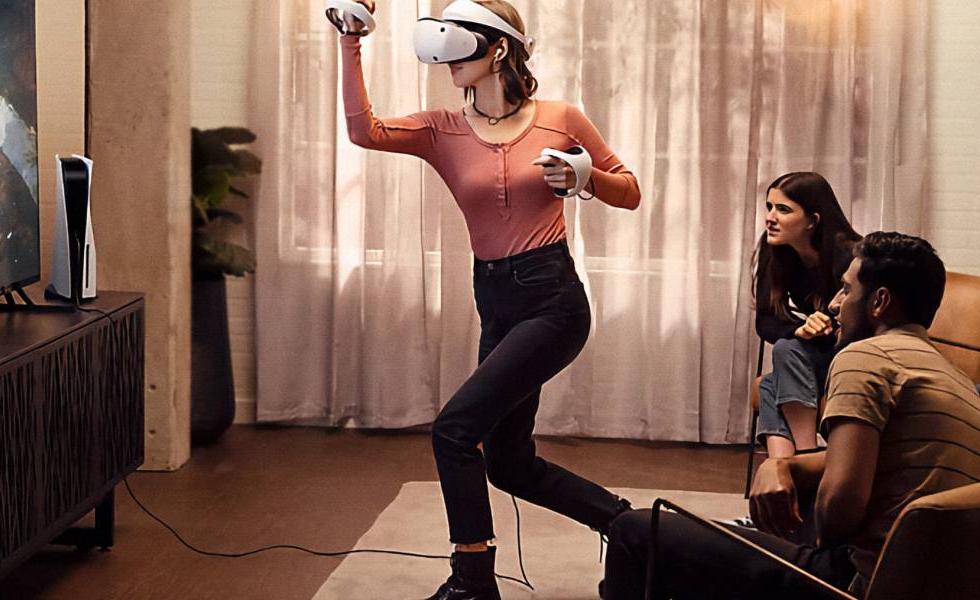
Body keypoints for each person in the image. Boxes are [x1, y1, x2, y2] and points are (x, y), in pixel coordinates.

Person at [328, 1, 641, 598]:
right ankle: (630, 527)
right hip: (495, 301)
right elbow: (363, 130)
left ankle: (472, 581)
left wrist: (583, 179)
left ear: (498, 49)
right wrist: (350, 41)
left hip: (552, 300)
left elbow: (629, 190)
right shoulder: (442, 129)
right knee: (509, 465)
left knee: (453, 429)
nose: (444, 61)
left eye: (457, 43)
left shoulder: (561, 118)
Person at [602, 231, 980, 599]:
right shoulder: (957, 381)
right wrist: (784, 467)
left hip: (849, 580)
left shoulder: (867, 357)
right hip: (921, 583)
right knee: (712, 545)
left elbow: (838, 515)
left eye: (846, 290)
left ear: (879, 301)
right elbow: (871, 461)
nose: (833, 304)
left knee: (635, 530)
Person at [752, 173, 861, 459]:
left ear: (813, 220)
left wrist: (824, 326)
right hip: (814, 357)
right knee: (772, 377)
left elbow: (864, 327)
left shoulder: (849, 256)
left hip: (850, 356)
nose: (770, 218)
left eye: (783, 210)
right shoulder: (775, 248)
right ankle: (789, 473)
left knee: (784, 357)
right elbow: (766, 321)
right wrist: (801, 329)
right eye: (769, 207)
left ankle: (801, 460)